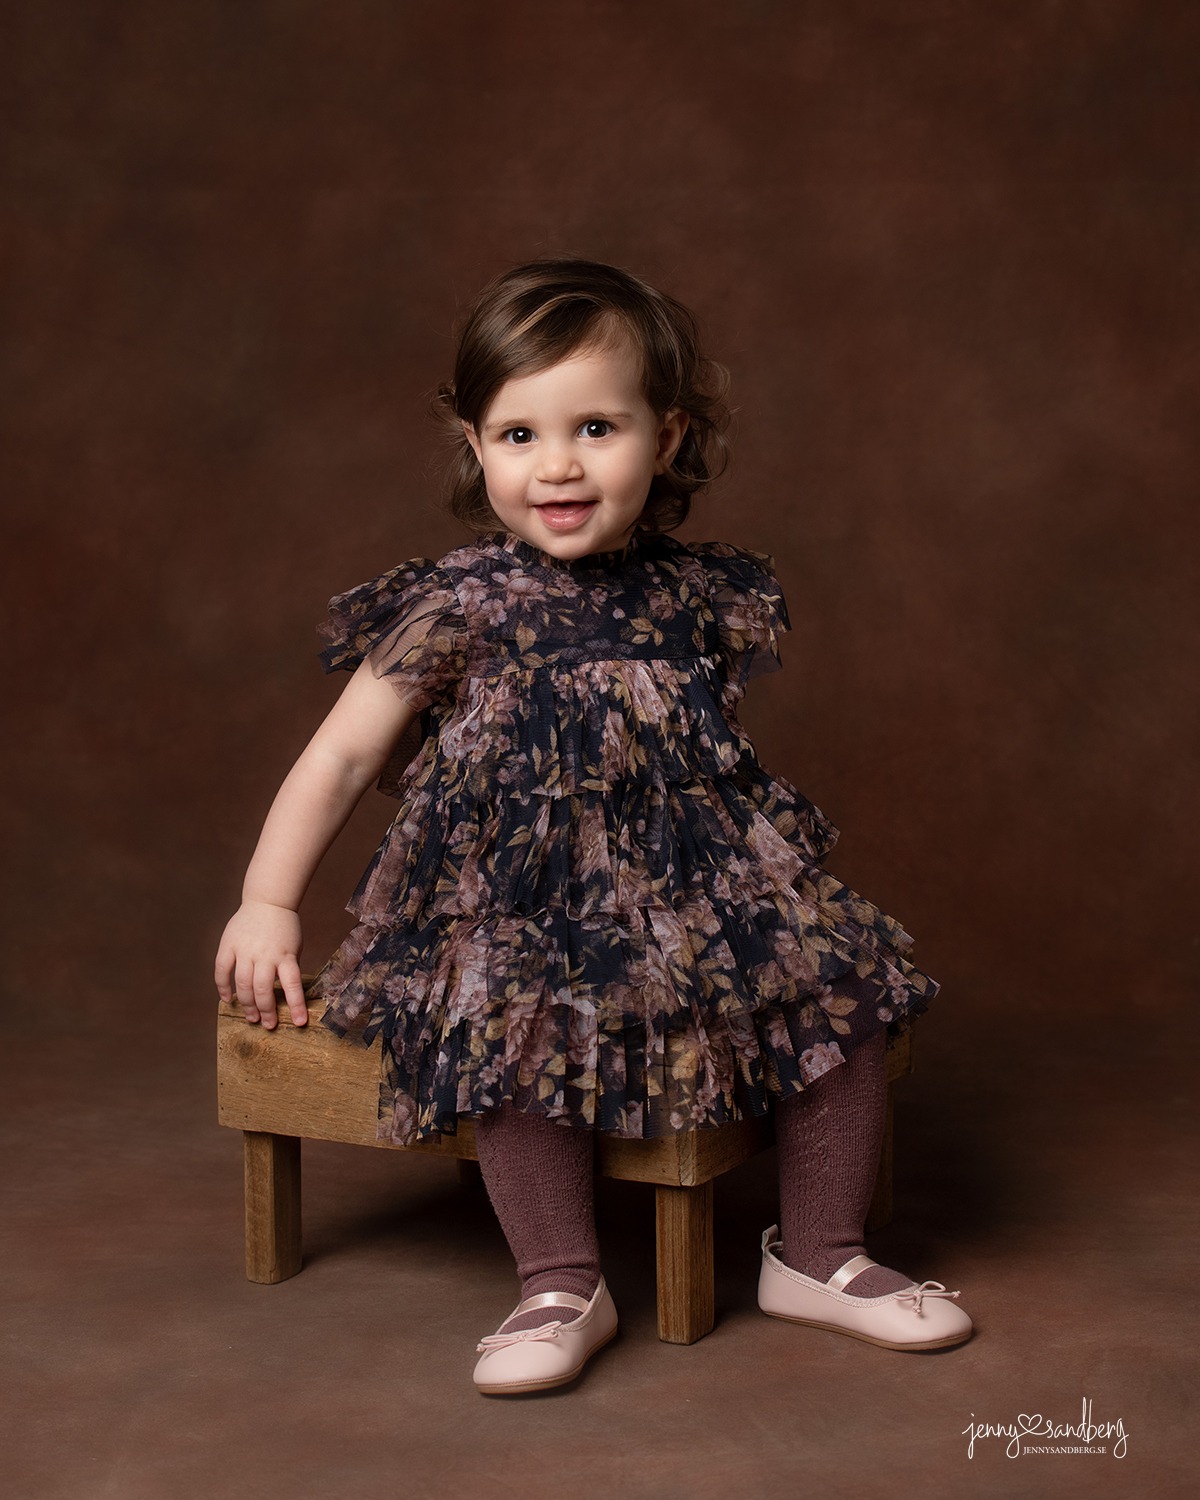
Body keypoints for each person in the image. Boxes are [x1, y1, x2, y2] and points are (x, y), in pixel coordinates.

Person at [214, 257, 973, 1397]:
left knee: (842, 998)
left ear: (667, 438)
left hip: (692, 896)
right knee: (516, 1037)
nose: (558, 464)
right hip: (518, 910)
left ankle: (821, 1255)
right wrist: (267, 901)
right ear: (474, 445)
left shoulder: (695, 595)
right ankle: (560, 1282)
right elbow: (341, 758)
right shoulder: (458, 607)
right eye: (518, 435)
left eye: (596, 428)